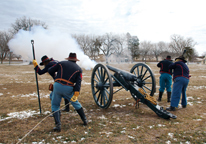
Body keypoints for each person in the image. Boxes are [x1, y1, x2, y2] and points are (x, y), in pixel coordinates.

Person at [48, 52, 88, 132]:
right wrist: (76, 92)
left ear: (69, 58)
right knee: (76, 103)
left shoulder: (61, 63)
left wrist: (56, 77)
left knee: (55, 105)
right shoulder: (79, 69)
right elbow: (78, 82)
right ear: (75, 60)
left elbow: (50, 70)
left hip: (57, 86)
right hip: (68, 88)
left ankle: (58, 125)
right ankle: (85, 120)